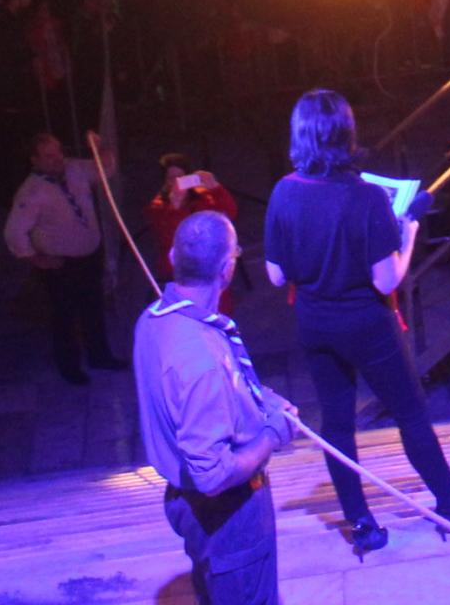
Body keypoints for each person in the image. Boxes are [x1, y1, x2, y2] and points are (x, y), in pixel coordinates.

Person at [261, 91, 450, 548]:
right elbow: (386, 281)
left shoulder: (285, 191)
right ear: (345, 134)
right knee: (410, 413)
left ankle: (362, 524)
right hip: (367, 324)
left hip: (315, 322)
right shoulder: (365, 197)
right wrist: (408, 234)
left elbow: (275, 274)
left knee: (336, 422)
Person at [136, 210, 304, 604]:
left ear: (173, 256)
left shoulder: (152, 320)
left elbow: (191, 397)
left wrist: (261, 400)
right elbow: (211, 475)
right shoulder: (201, 361)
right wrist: (273, 434)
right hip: (229, 513)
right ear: (227, 270)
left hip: (188, 505)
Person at [4, 131, 121, 385]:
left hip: (89, 256)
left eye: (58, 152)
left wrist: (100, 146)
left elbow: (105, 170)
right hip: (61, 265)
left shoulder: (75, 169)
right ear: (35, 160)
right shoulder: (31, 192)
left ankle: (100, 356)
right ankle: (70, 367)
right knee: (64, 316)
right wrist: (35, 259)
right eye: (49, 156)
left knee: (93, 308)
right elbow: (14, 231)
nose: (57, 158)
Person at [147, 154, 244, 311]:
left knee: (219, 282)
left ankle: (219, 318)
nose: (176, 182)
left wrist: (216, 188)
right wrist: (175, 207)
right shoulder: (158, 205)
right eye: (171, 178)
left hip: (209, 257)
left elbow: (230, 213)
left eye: (181, 177)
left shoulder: (202, 195)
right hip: (180, 265)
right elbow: (168, 239)